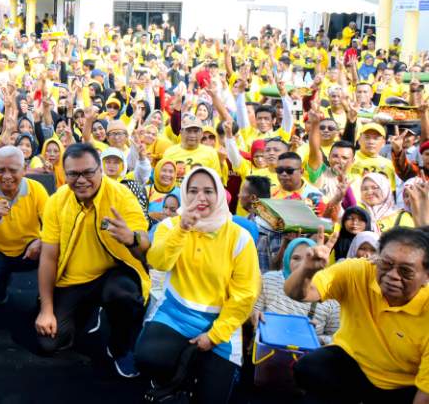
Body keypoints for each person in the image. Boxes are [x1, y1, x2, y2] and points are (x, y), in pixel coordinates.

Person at [136, 167, 260, 403]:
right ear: (184, 193)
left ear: (219, 195)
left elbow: (245, 294)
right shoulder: (170, 226)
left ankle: (190, 374)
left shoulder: (240, 237)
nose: (200, 197)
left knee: (212, 398)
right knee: (148, 357)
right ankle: (173, 383)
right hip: (175, 313)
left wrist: (215, 335)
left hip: (221, 320)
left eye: (208, 191)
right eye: (193, 191)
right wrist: (182, 229)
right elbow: (158, 262)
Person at [34, 142, 149, 378]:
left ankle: (119, 347)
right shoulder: (57, 201)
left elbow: (145, 246)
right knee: (48, 343)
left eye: (88, 172)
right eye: (73, 174)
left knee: (124, 296)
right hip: (73, 280)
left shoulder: (121, 195)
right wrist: (46, 309)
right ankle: (87, 313)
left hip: (112, 275)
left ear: (100, 170)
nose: (81, 180)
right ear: (65, 174)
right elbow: (48, 257)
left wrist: (132, 238)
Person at [286, 227, 429, 404]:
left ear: (426, 276)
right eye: (386, 264)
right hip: (352, 363)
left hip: (400, 385)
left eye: (406, 271)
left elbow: (426, 393)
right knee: (309, 367)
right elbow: (297, 294)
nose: (392, 275)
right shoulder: (357, 271)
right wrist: (307, 271)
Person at [0, 145, 49, 303]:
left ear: (24, 169)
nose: (7, 176)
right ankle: (0, 289)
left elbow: (53, 226)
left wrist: (41, 241)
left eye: (13, 170)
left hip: (30, 249)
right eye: (1, 170)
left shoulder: (37, 189)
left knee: (57, 253)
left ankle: (45, 298)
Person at [253, 237, 340, 346]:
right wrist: (255, 317)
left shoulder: (328, 294)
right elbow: (255, 312)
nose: (303, 264)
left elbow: (336, 338)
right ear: (287, 259)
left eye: (309, 258)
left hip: (308, 355)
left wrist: (315, 338)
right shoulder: (269, 279)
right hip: (267, 351)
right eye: (296, 258)